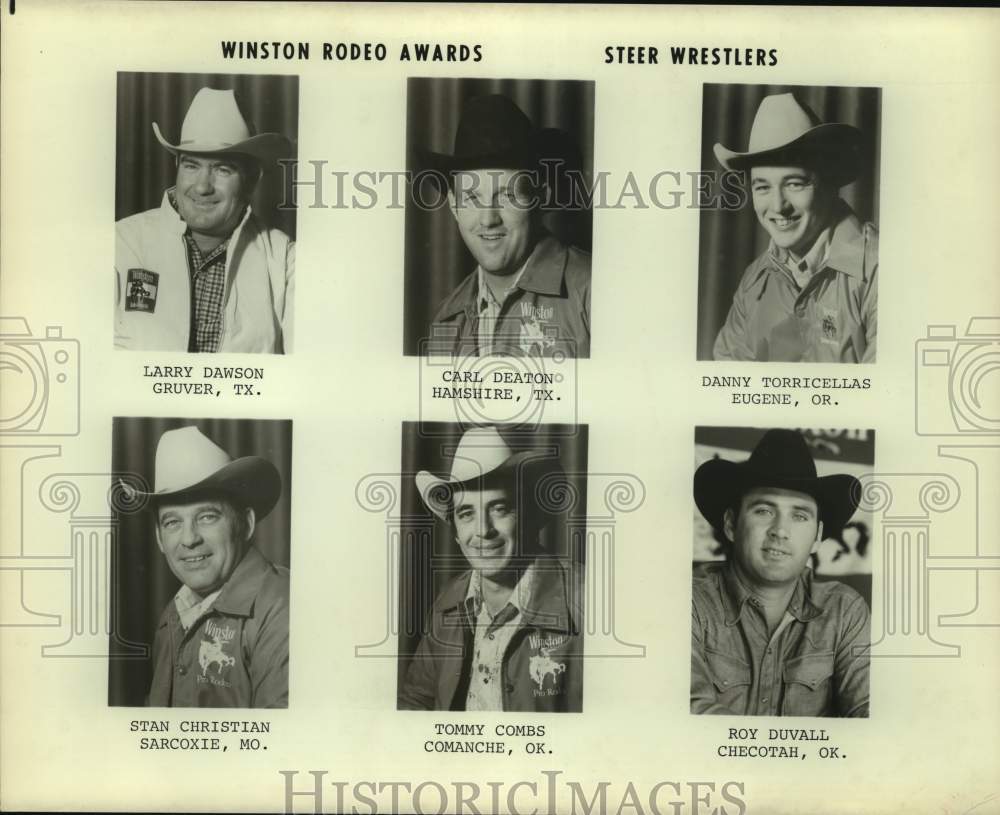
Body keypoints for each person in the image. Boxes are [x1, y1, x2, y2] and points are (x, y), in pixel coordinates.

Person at [399, 426, 583, 712]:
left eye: (500, 508)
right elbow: (416, 700)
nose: (483, 530)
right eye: (466, 513)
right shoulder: (448, 602)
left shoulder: (586, 600)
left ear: (528, 517)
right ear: (456, 533)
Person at [690, 429, 870, 717]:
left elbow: (869, 715)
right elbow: (690, 716)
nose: (781, 531)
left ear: (817, 536)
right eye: (764, 511)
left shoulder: (844, 611)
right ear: (731, 525)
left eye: (799, 516)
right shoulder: (691, 604)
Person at [115, 87, 294, 353]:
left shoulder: (283, 258)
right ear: (177, 168)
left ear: (251, 180)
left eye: (223, 169)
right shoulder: (122, 242)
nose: (202, 187)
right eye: (191, 165)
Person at [422, 94, 592, 358]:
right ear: (454, 206)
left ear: (540, 197)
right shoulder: (447, 322)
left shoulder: (592, 294)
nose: (489, 219)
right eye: (471, 198)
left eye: (508, 196)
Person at [712, 93, 878, 363]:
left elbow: (887, 395)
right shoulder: (754, 282)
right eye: (763, 187)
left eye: (795, 184)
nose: (778, 206)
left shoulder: (880, 271)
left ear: (829, 183)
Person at [132, 426, 289, 708]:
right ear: (159, 538)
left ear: (246, 524)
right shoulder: (174, 614)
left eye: (206, 516)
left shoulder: (282, 610)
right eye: (172, 522)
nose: (190, 539)